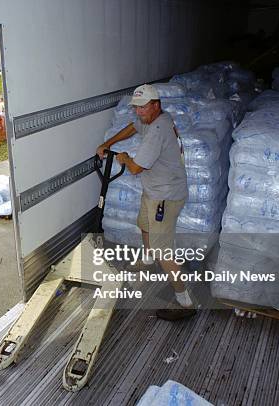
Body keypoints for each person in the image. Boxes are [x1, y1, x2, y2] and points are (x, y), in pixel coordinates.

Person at [95, 84, 194, 321]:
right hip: (154, 190)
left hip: (165, 197)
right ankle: (148, 260)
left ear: (156, 105)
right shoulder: (156, 117)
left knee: (163, 251)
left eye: (143, 108)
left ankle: (185, 300)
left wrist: (125, 158)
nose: (139, 113)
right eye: (136, 108)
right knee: (144, 224)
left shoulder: (158, 130)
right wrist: (108, 143)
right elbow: (132, 127)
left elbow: (137, 168)